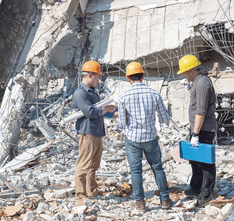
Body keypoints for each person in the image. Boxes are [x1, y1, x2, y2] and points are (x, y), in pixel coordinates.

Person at [117, 62, 172, 211]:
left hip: (133, 139)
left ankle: (140, 203)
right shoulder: (154, 94)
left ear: (128, 78)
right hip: (150, 138)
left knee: (136, 171)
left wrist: (120, 128)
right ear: (143, 75)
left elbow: (122, 123)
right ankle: (165, 200)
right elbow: (164, 118)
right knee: (157, 168)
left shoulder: (124, 97)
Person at [72, 60, 117, 199]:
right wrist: (106, 109)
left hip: (96, 132)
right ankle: (80, 193)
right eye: (97, 77)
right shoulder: (80, 93)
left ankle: (91, 190)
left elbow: (98, 110)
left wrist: (112, 112)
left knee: (93, 164)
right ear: (90, 75)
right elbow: (90, 112)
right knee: (84, 163)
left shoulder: (92, 92)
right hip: (87, 132)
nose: (98, 80)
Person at [177, 55, 217, 206]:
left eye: (184, 72)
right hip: (198, 128)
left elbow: (200, 112)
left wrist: (195, 134)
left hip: (203, 130)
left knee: (205, 163)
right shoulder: (197, 82)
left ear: (192, 70)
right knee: (195, 161)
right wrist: (190, 88)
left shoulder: (201, 85)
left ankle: (206, 193)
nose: (183, 75)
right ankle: (195, 187)